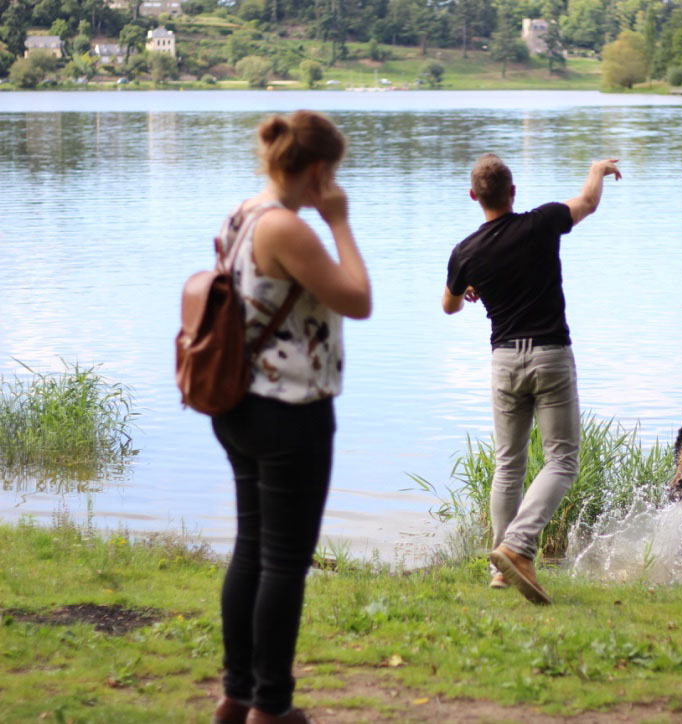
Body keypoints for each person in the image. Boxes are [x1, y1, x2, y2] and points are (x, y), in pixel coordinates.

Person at [210, 110, 372, 724]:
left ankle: (238, 694)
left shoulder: (242, 213)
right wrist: (341, 223)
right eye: (333, 174)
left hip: (239, 404)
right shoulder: (289, 229)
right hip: (289, 414)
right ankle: (270, 708)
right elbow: (358, 299)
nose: (335, 185)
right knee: (283, 562)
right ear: (317, 170)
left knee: (252, 548)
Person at [442, 153, 621, 605]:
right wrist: (596, 169)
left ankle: (499, 572)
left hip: (504, 361)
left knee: (509, 464)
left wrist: (467, 290)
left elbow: (448, 305)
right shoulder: (540, 223)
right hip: (550, 356)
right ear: (513, 192)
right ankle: (516, 548)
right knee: (562, 461)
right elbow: (587, 202)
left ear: (472, 196)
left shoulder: (466, 252)